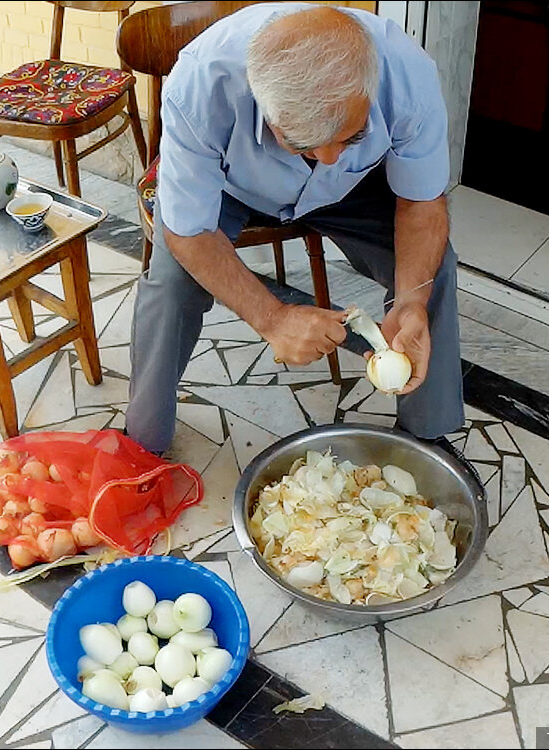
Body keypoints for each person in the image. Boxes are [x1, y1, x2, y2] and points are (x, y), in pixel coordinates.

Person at [125, 3, 464, 455]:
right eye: (303, 145)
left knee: (434, 270)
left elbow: (421, 204)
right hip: (232, 186)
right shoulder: (200, 86)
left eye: (352, 134)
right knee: (170, 283)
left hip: (354, 185)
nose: (326, 158)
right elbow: (189, 231)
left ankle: (426, 440)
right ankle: (141, 446)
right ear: (265, 108)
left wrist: (411, 300)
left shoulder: (407, 76)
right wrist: (272, 317)